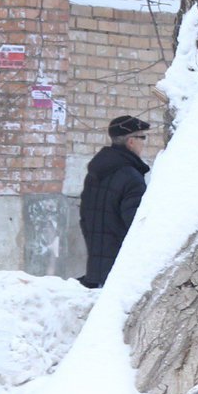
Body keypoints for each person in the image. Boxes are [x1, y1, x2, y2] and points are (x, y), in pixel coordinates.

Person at [77, 115, 150, 288]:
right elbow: (136, 226)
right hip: (121, 270)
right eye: (143, 137)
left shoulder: (95, 172)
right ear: (131, 141)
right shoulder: (132, 178)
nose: (144, 143)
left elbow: (85, 218)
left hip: (96, 267)